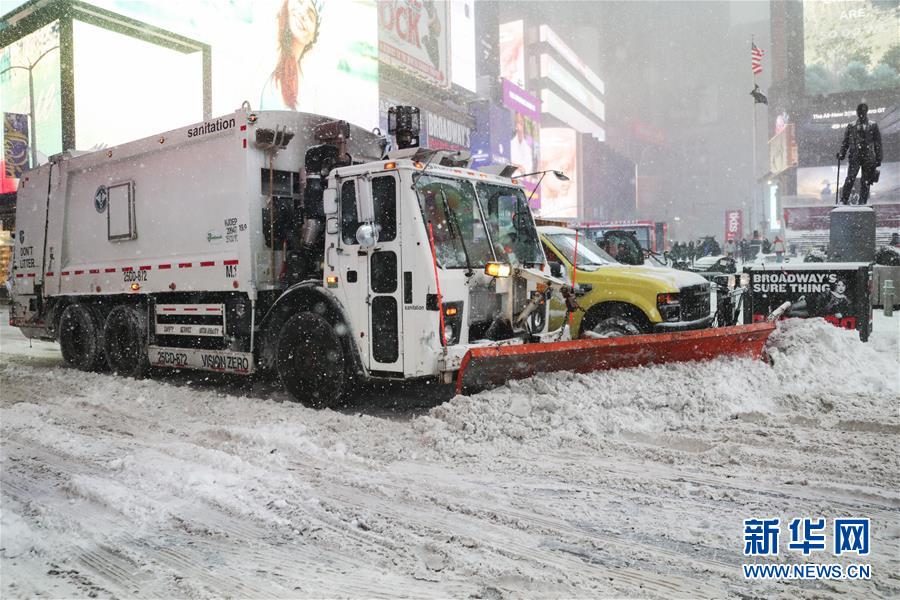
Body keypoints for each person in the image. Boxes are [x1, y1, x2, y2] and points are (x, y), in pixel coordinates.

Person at [260, 0, 321, 111]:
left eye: (310, 16)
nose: (302, 14)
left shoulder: (307, 92)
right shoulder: (265, 52)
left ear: (313, 36)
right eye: (300, 1)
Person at [837, 103, 882, 205]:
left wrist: (879, 158)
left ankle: (862, 201)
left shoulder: (873, 125)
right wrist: (842, 154)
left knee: (865, 181)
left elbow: (877, 143)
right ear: (857, 112)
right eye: (860, 111)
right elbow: (845, 142)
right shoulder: (851, 126)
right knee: (850, 178)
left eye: (863, 111)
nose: (861, 113)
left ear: (866, 112)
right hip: (855, 155)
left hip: (868, 156)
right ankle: (844, 199)